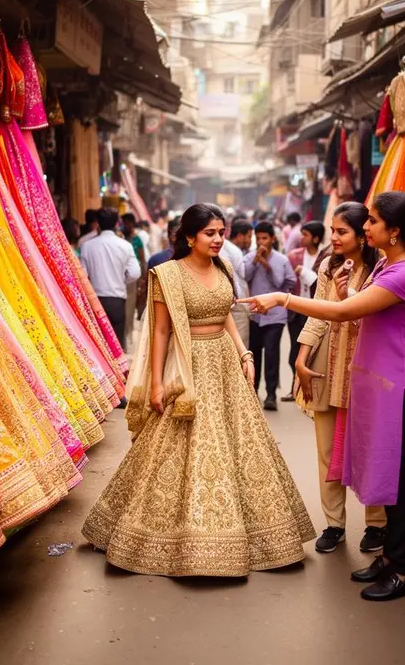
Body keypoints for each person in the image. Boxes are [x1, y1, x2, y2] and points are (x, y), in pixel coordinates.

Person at [81, 203, 315, 576]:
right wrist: (157, 383)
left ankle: (254, 536)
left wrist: (245, 353)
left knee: (238, 442)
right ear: (189, 237)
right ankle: (172, 537)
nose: (219, 239)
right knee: (175, 445)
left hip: (225, 364)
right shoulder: (167, 276)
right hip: (188, 366)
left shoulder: (223, 268)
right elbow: (160, 331)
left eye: (221, 232)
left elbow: (225, 315)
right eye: (210, 233)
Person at [240, 191, 405, 602]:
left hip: (401, 385)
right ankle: (390, 558)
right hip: (385, 384)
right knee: (387, 471)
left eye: (372, 222)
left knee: (400, 482)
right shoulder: (389, 264)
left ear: (394, 231)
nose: (366, 228)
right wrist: (346, 292)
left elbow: (345, 313)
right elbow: (359, 306)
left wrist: (282, 298)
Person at [293, 204, 387, 555]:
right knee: (327, 450)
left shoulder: (380, 270)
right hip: (328, 366)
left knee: (369, 447)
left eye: (341, 231)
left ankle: (377, 523)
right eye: (332, 230)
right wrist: (301, 360)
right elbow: (318, 315)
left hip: (366, 368)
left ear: (363, 234)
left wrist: (349, 297)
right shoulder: (328, 266)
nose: (333, 237)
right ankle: (334, 524)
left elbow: (374, 322)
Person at [243, 221, 296, 411]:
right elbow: (244, 277)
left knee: (272, 354)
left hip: (275, 316)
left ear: (272, 239)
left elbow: (282, 281)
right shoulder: (249, 257)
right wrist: (256, 261)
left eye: (264, 238)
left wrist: (266, 265)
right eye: (258, 239)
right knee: (254, 354)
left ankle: (272, 394)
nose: (261, 242)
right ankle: (252, 391)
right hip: (255, 314)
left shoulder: (281, 260)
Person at [79, 207, 141, 350]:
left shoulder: (87, 246)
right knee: (117, 346)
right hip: (117, 299)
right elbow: (135, 273)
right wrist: (120, 280)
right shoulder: (125, 245)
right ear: (117, 223)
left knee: (98, 345)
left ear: (98, 223)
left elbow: (82, 275)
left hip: (95, 300)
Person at [284, 220, 326, 401]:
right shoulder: (294, 256)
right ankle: (295, 387)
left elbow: (319, 283)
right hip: (297, 310)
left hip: (317, 310)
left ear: (315, 238)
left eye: (306, 235)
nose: (302, 238)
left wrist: (305, 273)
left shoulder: (326, 258)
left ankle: (309, 387)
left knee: (313, 351)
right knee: (295, 350)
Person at [220, 218, 253, 347]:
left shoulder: (227, 248)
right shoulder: (233, 250)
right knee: (240, 348)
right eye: (249, 236)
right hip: (237, 305)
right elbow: (244, 275)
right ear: (240, 236)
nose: (250, 240)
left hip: (233, 303)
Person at [121, 213, 147, 347]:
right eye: (123, 223)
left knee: (130, 309)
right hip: (120, 278)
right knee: (122, 309)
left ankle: (128, 334)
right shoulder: (120, 239)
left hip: (133, 279)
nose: (124, 225)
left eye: (126, 223)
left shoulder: (137, 240)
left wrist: (143, 278)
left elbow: (142, 259)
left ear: (131, 223)